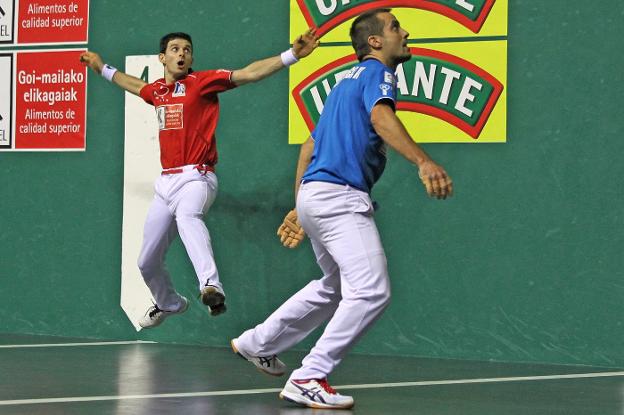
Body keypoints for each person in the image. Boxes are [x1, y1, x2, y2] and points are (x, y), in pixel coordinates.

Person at [231, 8, 453, 410]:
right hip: (340, 198)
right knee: (371, 291)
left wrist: (300, 205)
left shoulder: (341, 86)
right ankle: (310, 375)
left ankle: (256, 342)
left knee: (334, 287)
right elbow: (381, 116)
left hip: (316, 194)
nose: (405, 33)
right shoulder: (376, 74)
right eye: (395, 27)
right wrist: (423, 161)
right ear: (374, 42)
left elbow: (308, 147)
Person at [80, 30, 319, 328]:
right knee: (146, 262)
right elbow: (134, 84)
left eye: (187, 50)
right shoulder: (157, 92)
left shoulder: (201, 83)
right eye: (175, 49)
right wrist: (102, 67)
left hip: (198, 177)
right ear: (162, 58)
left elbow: (248, 74)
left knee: (188, 217)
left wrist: (292, 55)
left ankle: (211, 286)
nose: (182, 54)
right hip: (165, 183)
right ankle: (170, 303)